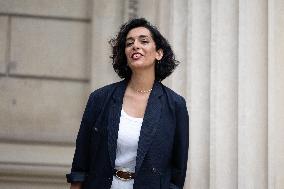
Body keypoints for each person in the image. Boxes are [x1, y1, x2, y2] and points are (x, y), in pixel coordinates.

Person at [66, 18, 189, 189]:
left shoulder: (175, 105)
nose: (135, 46)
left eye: (143, 41)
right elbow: (81, 158)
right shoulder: (100, 98)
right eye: (129, 43)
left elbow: (178, 168)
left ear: (158, 53)